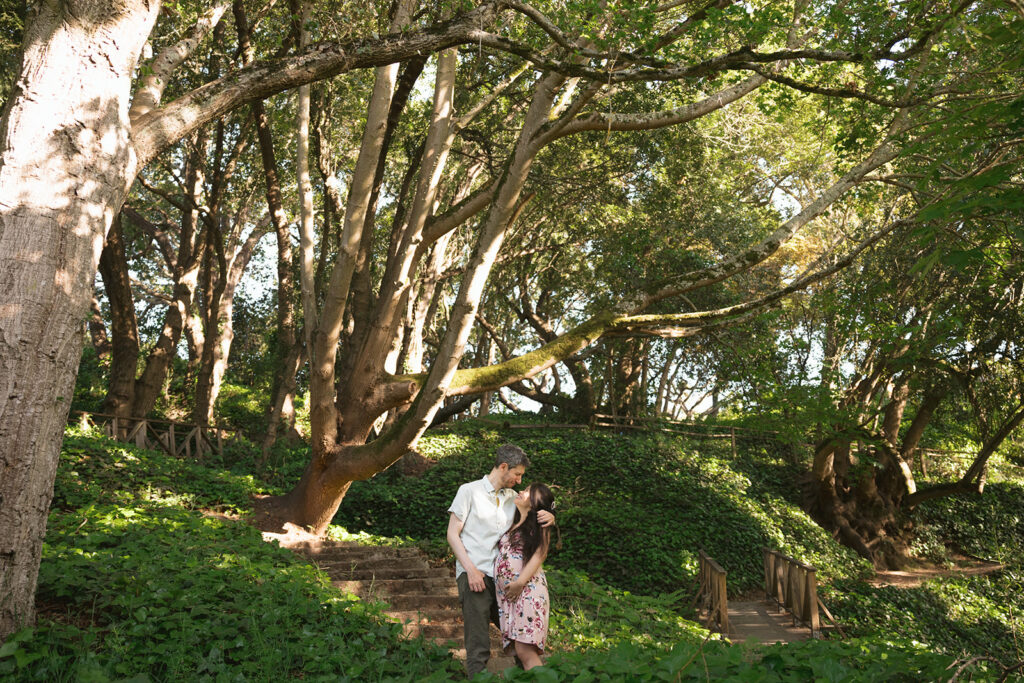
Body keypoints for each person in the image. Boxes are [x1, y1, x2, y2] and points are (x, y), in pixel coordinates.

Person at [446, 444, 553, 678]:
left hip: (506, 584)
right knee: (478, 645)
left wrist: (552, 515)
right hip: (475, 575)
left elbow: (537, 511)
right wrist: (471, 570)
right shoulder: (469, 491)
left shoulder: (514, 498)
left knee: (518, 642)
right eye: (517, 474)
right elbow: (452, 534)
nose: (519, 479)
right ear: (503, 467)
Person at [493, 483, 557, 670]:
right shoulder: (513, 521)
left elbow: (541, 552)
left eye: (528, 491)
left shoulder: (539, 523)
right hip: (513, 598)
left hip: (528, 591)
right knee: (521, 652)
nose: (521, 492)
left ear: (536, 502)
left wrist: (519, 583)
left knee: (526, 652)